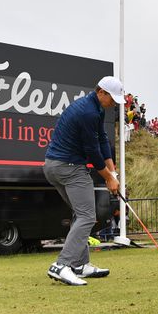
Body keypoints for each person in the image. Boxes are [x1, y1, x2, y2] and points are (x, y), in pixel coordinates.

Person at [43, 76, 123, 286]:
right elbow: (92, 151)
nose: (114, 103)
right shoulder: (88, 112)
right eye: (112, 99)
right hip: (70, 168)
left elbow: (103, 140)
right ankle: (62, 265)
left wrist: (113, 173)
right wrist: (108, 178)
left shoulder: (94, 108)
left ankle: (80, 265)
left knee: (81, 214)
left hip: (53, 167)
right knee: (88, 216)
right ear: (101, 92)